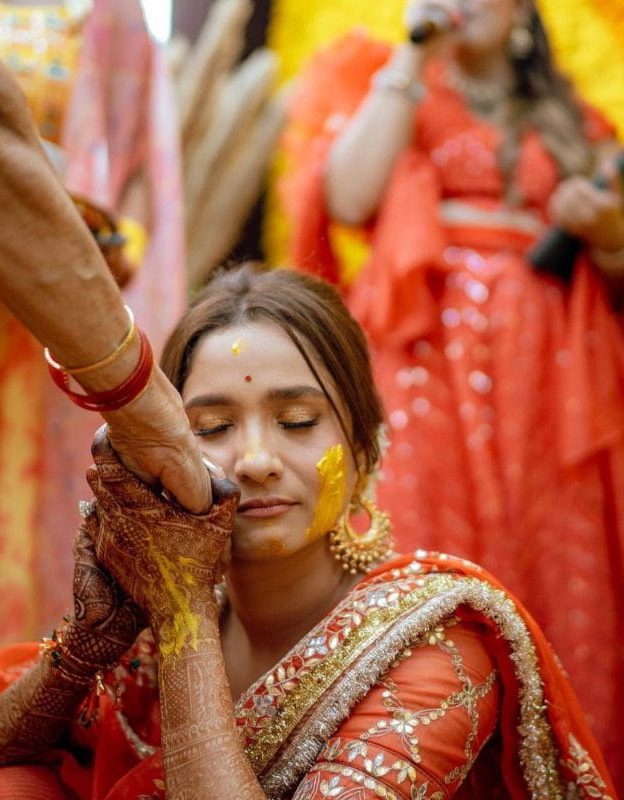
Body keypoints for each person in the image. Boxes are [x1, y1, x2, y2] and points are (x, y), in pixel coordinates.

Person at [0, 264, 616, 800]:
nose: (254, 462)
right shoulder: (150, 629)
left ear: (367, 449)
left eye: (296, 422)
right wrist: (84, 648)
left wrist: (182, 608)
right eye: (213, 429)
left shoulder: (437, 647)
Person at [278, 0, 624, 779]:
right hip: (424, 355)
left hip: (552, 378)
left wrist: (605, 234)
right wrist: (410, 51)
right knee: (429, 552)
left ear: (526, 14)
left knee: (555, 555)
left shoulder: (580, 121)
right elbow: (350, 200)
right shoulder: (397, 89)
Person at [0, 0, 209, 685]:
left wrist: (116, 245)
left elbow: (143, 159)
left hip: (48, 334)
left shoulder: (109, 13)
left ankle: (11, 723)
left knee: (41, 533)